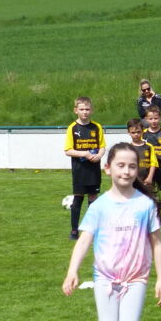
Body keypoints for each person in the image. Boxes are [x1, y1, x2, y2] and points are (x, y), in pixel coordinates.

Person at [62, 143, 161, 321]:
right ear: (108, 168)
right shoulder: (99, 206)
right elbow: (84, 240)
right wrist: (72, 271)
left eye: (132, 166)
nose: (126, 171)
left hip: (136, 278)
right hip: (105, 278)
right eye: (121, 165)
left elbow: (157, 243)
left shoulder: (145, 204)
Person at [64, 96, 104, 239]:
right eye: (82, 109)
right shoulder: (72, 128)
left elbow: (102, 146)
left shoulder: (97, 127)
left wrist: (99, 155)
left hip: (94, 170)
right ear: (76, 110)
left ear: (91, 110)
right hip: (80, 170)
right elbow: (68, 150)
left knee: (93, 198)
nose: (85, 112)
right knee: (78, 198)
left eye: (87, 109)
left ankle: (92, 229)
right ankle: (74, 230)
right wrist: (85, 154)